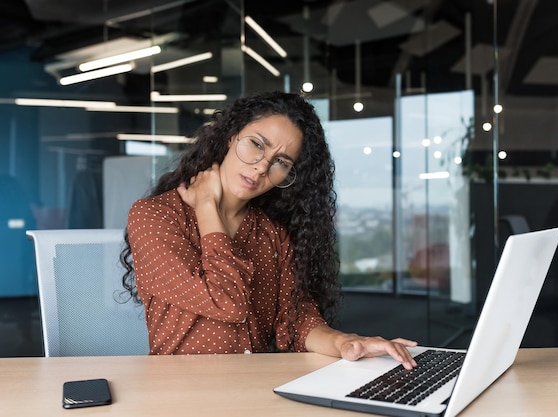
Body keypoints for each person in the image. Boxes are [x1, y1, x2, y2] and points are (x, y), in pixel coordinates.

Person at [121, 91, 418, 369]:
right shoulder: (154, 216)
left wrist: (347, 342)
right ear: (230, 136)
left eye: (280, 161)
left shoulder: (271, 234)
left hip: (254, 388)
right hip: (180, 393)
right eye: (257, 144)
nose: (262, 167)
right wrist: (207, 206)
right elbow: (227, 302)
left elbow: (296, 319)